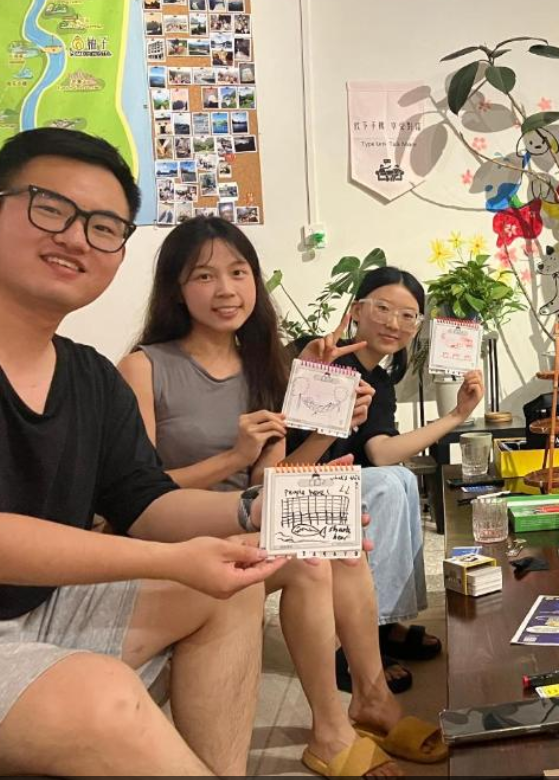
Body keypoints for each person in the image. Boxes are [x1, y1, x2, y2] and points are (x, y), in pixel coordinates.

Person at [0, 128, 286, 776]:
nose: (78, 237)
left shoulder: (90, 377)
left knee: (234, 586)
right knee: (107, 701)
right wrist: (174, 559)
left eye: (105, 226)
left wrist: (258, 513)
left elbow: (143, 499)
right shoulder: (140, 365)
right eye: (51, 208)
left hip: (38, 604)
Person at [118, 218, 445, 773]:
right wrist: (228, 457)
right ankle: (332, 729)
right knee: (313, 560)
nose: (226, 289)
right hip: (180, 536)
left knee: (340, 532)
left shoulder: (265, 368)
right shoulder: (144, 367)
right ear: (177, 287)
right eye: (205, 275)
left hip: (248, 524)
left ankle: (370, 697)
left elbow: (275, 479)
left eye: (239, 272)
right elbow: (134, 496)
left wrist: (329, 423)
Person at [295, 266, 484, 668]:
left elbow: (382, 451)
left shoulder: (379, 383)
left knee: (395, 477)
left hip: (343, 484)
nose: (393, 323)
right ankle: (350, 644)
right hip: (297, 483)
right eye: (382, 308)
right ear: (357, 310)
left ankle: (382, 624)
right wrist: (313, 366)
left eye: (407, 315)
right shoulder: (317, 352)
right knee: (386, 483)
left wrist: (456, 415)